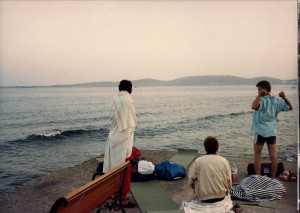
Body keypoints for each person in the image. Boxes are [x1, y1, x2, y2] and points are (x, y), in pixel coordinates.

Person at [103, 79, 137, 207]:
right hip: (124, 139)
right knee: (124, 169)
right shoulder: (129, 100)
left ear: (119, 88)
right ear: (130, 88)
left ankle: (115, 195)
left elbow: (113, 117)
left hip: (114, 137)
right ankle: (121, 199)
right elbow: (131, 122)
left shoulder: (115, 99)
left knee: (114, 168)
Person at [252, 80, 293, 179]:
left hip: (261, 131)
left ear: (264, 89)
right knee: (273, 156)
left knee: (257, 154)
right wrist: (283, 97)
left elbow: (254, 106)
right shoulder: (277, 101)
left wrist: (259, 96)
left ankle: (258, 177)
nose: (258, 92)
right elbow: (290, 107)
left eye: (259, 90)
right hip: (272, 131)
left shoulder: (262, 100)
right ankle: (273, 178)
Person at [188, 136, 232, 202]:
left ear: (205, 148)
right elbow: (229, 182)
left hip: (203, 198)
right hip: (221, 197)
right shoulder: (224, 161)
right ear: (217, 148)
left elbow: (190, 180)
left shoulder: (198, 161)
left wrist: (197, 189)